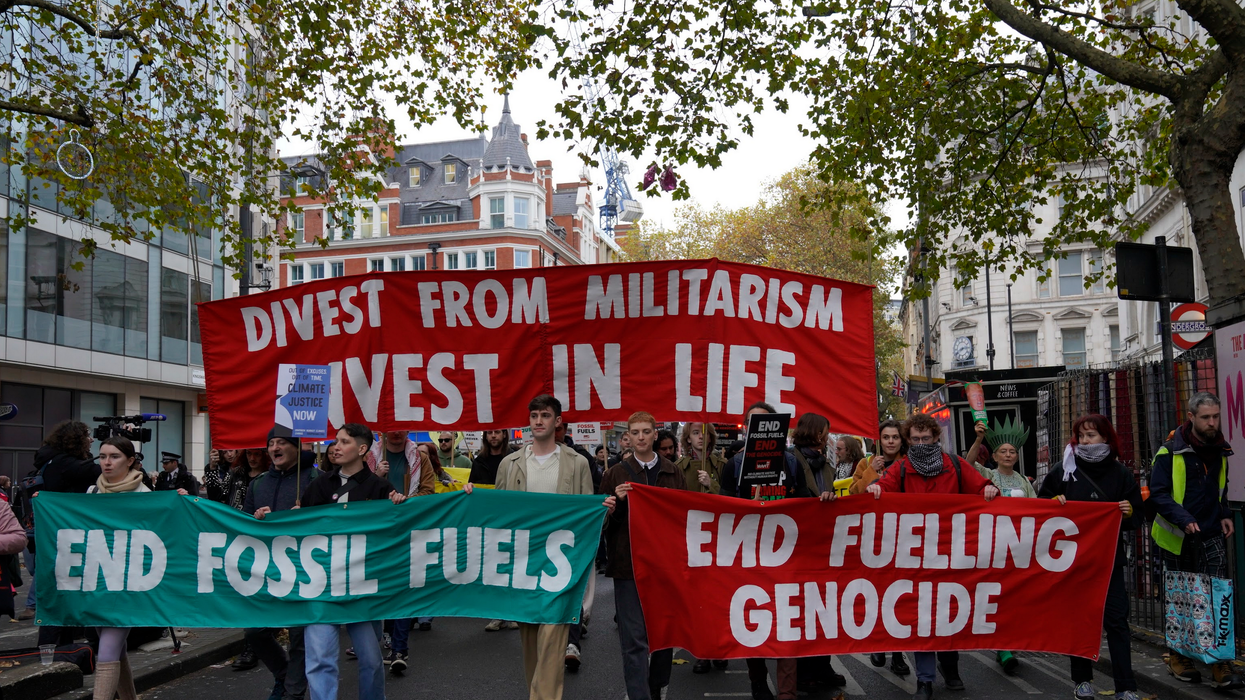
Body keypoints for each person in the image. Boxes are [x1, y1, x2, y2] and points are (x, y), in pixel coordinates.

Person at [462, 395, 595, 698]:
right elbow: (495, 514)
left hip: (560, 565)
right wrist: (472, 497)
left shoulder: (577, 464)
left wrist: (603, 510)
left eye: (545, 415)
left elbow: (587, 514)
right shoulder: (510, 464)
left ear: (557, 421)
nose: (538, 421)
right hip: (522, 565)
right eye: (534, 415)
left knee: (552, 644)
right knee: (531, 645)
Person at [867, 412, 998, 700]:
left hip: (951, 555)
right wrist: (876, 487)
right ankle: (924, 680)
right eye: (914, 439)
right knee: (921, 618)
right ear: (908, 440)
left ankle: (950, 668)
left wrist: (988, 488)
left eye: (926, 439)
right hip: (915, 557)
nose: (920, 443)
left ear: (936, 438)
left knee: (949, 614)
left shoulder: (955, 465)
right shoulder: (900, 469)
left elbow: (981, 486)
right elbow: (883, 486)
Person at [1039, 413, 1143, 700]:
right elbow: (1038, 509)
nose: (1085, 441)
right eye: (1081, 436)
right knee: (1080, 621)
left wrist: (1129, 511)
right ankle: (1082, 680)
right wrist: (1053, 503)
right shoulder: (1064, 470)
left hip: (1109, 563)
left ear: (1106, 438)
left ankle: (1126, 686)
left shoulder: (1121, 473)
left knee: (1117, 623)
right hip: (1074, 563)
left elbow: (1139, 516)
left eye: (1091, 435)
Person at [299, 423, 406, 700]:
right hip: (322, 585)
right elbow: (296, 525)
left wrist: (400, 506)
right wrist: (270, 518)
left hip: (362, 587)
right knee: (321, 658)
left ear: (361, 449)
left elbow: (398, 530)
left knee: (370, 660)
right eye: (336, 441)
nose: (336, 446)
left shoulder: (381, 488)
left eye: (344, 442)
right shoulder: (319, 485)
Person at [1149, 392, 1244, 689]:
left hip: (1211, 531)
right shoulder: (1169, 452)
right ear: (1191, 417)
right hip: (1176, 536)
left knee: (1217, 597)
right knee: (1181, 599)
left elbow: (1220, 487)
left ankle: (1219, 662)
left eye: (1215, 416)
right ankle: (1179, 657)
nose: (1212, 422)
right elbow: (1159, 494)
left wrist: (1225, 512)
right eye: (1206, 417)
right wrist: (1183, 518)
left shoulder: (1220, 449)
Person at [600, 411, 688, 700]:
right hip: (628, 566)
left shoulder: (673, 472)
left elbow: (685, 517)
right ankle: (639, 695)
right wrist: (614, 508)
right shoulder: (615, 473)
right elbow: (601, 523)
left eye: (645, 432)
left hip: (665, 565)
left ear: (654, 434)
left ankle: (655, 687)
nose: (640, 437)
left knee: (662, 636)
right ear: (628, 435)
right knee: (633, 638)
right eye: (635, 432)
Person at [244, 425, 317, 700]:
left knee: (299, 636)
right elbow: (243, 523)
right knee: (255, 631)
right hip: (267, 571)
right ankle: (283, 674)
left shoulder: (314, 478)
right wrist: (256, 518)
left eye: (281, 442)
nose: (274, 448)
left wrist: (306, 513)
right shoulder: (258, 483)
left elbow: (330, 521)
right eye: (271, 443)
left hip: (304, 569)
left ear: (296, 446)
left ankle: (292, 693)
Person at [18, 420, 101, 626]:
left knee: (44, 566)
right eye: (87, 436)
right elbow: (102, 474)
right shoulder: (67, 464)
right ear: (76, 440)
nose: (91, 440)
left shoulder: (49, 460)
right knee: (55, 567)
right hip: (63, 527)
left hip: (41, 526)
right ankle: (42, 610)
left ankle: (35, 606)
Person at [86, 436, 150, 700]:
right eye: (102, 456)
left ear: (131, 461)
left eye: (114, 457)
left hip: (129, 584)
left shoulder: (145, 496)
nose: (107, 462)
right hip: (98, 581)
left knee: (108, 649)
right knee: (116, 649)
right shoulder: (91, 492)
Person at [850, 419, 906, 496]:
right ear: (879, 441)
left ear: (901, 441)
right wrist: (872, 470)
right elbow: (853, 492)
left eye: (895, 437)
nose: (890, 441)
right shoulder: (865, 463)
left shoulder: (907, 464)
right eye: (886, 437)